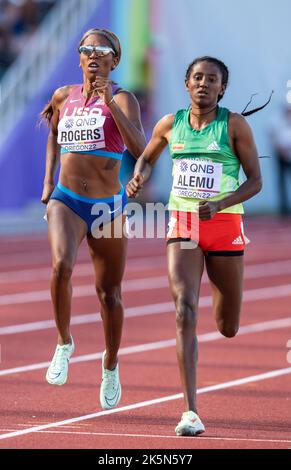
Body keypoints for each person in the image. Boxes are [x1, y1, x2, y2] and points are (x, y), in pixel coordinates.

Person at [126, 57, 262, 436]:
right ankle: (190, 411)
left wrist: (219, 203)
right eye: (197, 77)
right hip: (183, 222)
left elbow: (256, 181)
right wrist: (138, 179)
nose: (204, 84)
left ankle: (226, 322)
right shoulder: (170, 124)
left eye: (212, 79)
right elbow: (146, 159)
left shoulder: (234, 125)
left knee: (228, 326)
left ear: (223, 88)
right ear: (186, 83)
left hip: (224, 225)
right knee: (185, 309)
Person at [40, 28, 146, 409]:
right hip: (66, 199)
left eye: (102, 50)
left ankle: (111, 364)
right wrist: (48, 180)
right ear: (80, 57)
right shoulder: (63, 96)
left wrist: (110, 104)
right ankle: (64, 342)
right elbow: (52, 134)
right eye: (87, 49)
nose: (94, 55)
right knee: (60, 265)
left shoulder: (123, 97)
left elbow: (140, 148)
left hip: (107, 207)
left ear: (114, 60)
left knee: (109, 294)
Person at [270, 104, 291, 215]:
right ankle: (284, 210)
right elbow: (273, 136)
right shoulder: (278, 121)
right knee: (282, 183)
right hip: (281, 156)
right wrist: (280, 150)